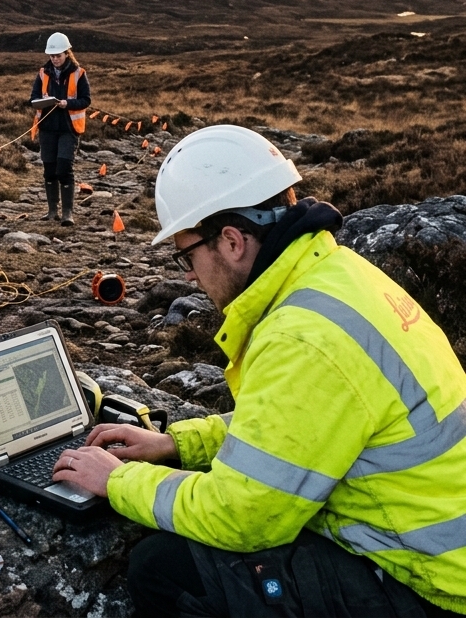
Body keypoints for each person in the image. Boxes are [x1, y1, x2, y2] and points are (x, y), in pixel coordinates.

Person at [51, 125, 466, 617]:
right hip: (435, 547)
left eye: (186, 255)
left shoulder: (302, 335)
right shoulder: (336, 276)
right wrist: (177, 444)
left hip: (429, 585)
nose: (189, 274)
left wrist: (118, 480)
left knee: (162, 568)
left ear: (231, 241)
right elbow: (299, 424)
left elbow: (242, 516)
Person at [30, 32, 91, 226]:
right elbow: (33, 98)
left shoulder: (79, 73)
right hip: (47, 129)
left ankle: (67, 213)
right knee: (49, 170)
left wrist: (68, 103)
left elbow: (86, 100)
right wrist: (42, 102)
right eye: (52, 56)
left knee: (64, 168)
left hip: (68, 129)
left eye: (58, 55)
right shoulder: (43, 73)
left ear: (67, 53)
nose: (55, 59)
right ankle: (52, 212)